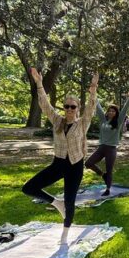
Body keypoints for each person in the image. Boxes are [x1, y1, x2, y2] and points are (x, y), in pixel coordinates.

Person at [22, 68, 98, 244]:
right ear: (64, 108)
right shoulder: (57, 121)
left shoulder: (82, 123)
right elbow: (45, 105)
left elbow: (91, 108)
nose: (70, 109)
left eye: (73, 106)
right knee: (29, 188)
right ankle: (56, 203)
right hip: (58, 164)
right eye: (67, 106)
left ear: (78, 108)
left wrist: (93, 90)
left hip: (75, 165)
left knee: (70, 201)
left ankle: (65, 233)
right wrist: (39, 84)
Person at [85, 92, 129, 196]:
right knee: (88, 163)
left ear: (116, 113)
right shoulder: (103, 120)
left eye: (113, 111)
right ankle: (102, 175)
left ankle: (107, 189)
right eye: (109, 111)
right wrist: (93, 94)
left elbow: (125, 110)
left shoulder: (118, 122)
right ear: (107, 112)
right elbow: (98, 107)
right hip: (101, 147)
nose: (111, 112)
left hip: (111, 149)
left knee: (109, 170)